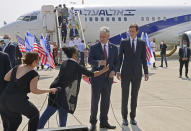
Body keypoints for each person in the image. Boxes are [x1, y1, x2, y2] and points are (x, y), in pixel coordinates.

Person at [38, 46, 109, 129]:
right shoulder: (76, 65)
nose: (78, 53)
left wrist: (81, 76)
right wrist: (105, 70)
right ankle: (50, 128)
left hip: (55, 87)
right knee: (56, 111)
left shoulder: (65, 62)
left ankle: (48, 128)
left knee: (56, 110)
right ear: (74, 54)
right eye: (77, 52)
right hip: (61, 91)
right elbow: (92, 74)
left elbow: (68, 76)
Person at [0, 52, 57, 131]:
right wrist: (50, 90)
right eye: (38, 60)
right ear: (34, 61)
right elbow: (34, 90)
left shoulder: (17, 67)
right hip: (17, 100)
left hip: (4, 98)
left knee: (15, 120)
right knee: (34, 114)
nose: (39, 62)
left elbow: (6, 78)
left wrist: (16, 82)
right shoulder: (33, 74)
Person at [117, 24, 149, 126]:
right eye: (130, 31)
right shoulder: (124, 42)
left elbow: (144, 58)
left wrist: (146, 72)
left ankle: (132, 117)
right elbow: (119, 58)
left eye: (133, 31)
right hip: (125, 73)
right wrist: (118, 70)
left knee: (134, 96)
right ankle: (124, 118)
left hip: (137, 74)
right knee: (125, 96)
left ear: (137, 31)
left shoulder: (142, 43)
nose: (131, 33)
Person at [88, 26, 118, 130]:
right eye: (100, 36)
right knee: (95, 102)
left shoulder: (114, 48)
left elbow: (116, 62)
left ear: (108, 36)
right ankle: (93, 122)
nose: (102, 39)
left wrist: (114, 70)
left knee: (105, 102)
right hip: (96, 79)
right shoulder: (94, 47)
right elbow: (90, 61)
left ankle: (104, 122)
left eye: (104, 37)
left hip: (108, 79)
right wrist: (98, 63)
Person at [0, 51, 11, 131]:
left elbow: (9, 74)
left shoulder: (4, 56)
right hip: (3, 91)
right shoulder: (4, 55)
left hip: (2, 91)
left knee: (5, 116)